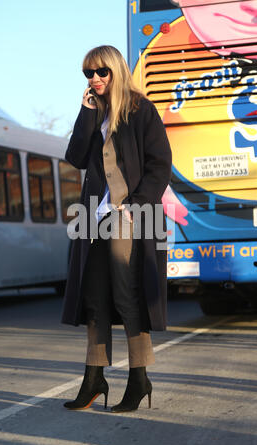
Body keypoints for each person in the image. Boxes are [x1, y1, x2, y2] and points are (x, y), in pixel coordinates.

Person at [61, 45, 172, 412]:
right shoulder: (95, 115)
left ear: (116, 71)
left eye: (101, 72)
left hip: (129, 217)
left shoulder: (142, 111)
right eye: (88, 74)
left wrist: (137, 206)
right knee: (93, 297)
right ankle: (94, 379)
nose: (94, 79)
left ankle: (139, 379)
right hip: (94, 218)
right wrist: (85, 113)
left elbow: (160, 165)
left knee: (127, 296)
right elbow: (75, 158)